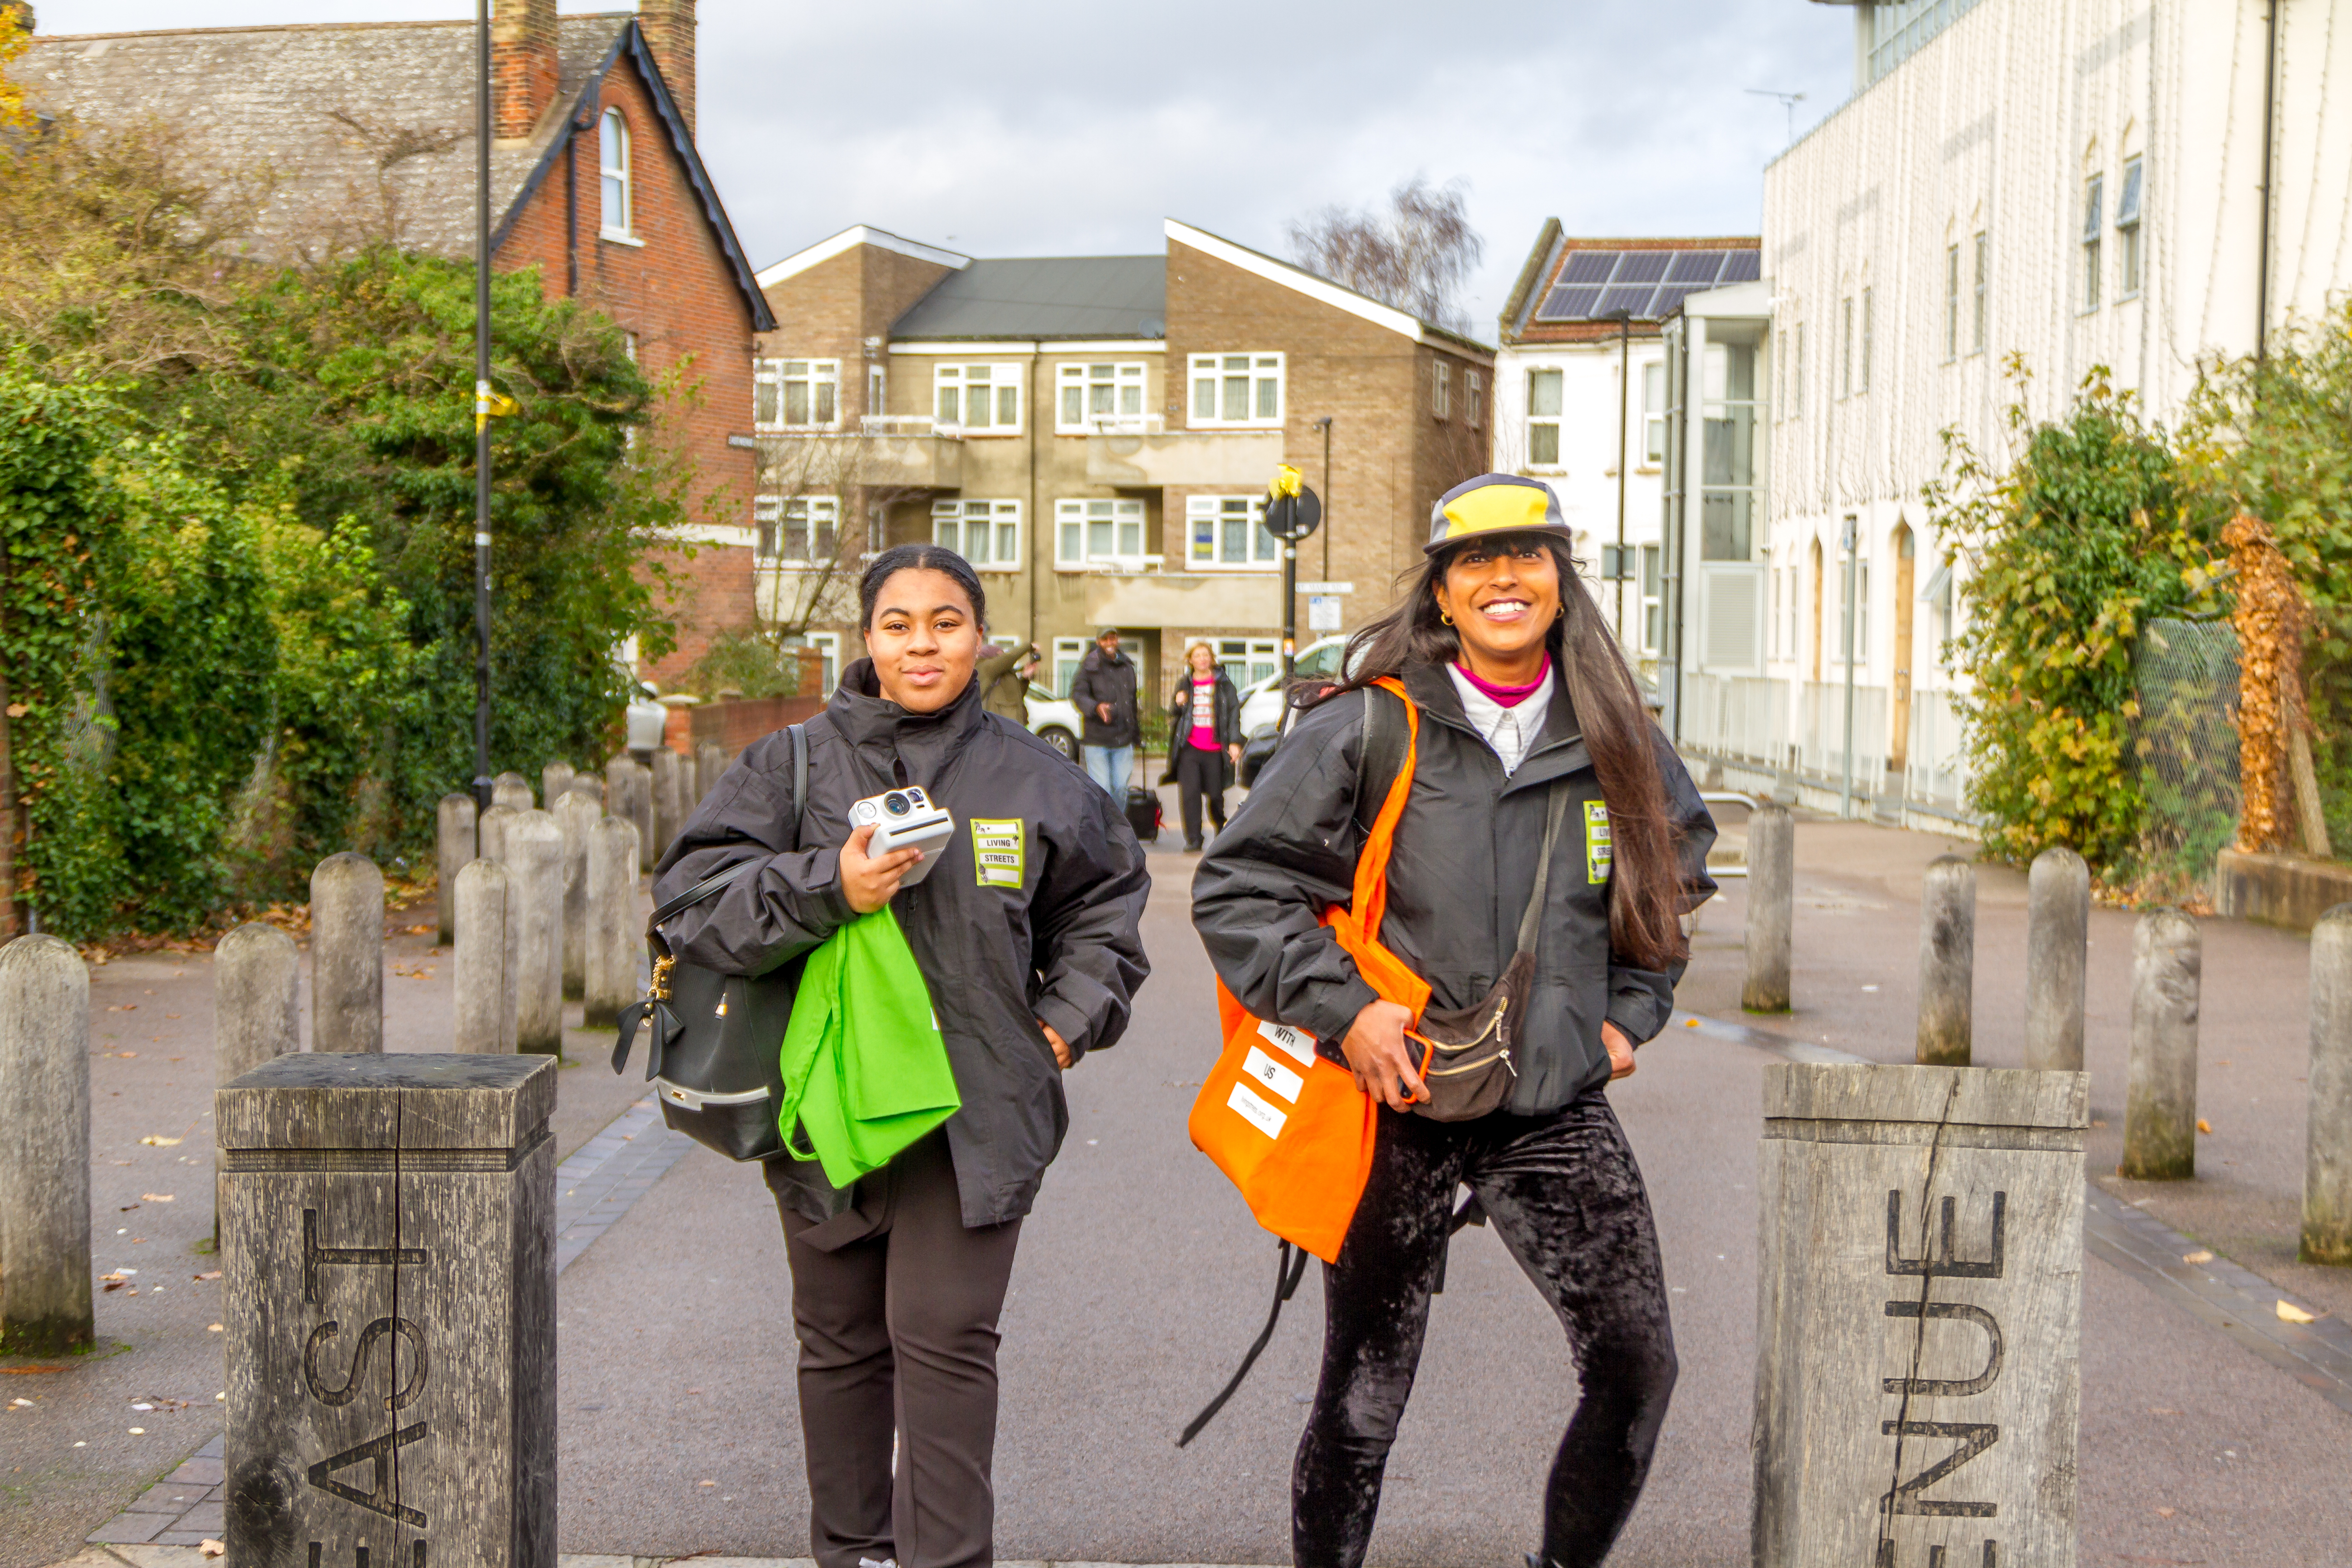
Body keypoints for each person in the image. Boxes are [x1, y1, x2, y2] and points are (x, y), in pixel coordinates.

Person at [1191, 475, 1716, 1568]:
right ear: (1441, 589)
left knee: (1636, 1366)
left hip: (1548, 1106)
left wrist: (1629, 1014)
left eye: (1527, 554)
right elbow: (1237, 887)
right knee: (1363, 1397)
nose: (1503, 577)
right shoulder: (1373, 722)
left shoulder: (1616, 733)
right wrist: (1348, 1015)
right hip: (1397, 1100)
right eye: (1475, 560)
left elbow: (1674, 879)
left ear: (1561, 578)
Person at [654, 545, 1150, 1568]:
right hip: (827, 1103)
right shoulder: (789, 765)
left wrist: (1060, 1022)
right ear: (866, 637)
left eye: (945, 621)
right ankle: (851, 1555)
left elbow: (1106, 913)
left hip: (977, 1112)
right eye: (897, 623)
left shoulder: (1038, 776)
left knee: (947, 1345)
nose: (921, 643)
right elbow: (692, 907)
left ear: (983, 636)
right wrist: (828, 883)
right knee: (839, 1350)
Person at [1166, 640, 1242, 851]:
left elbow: (1234, 714)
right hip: (1189, 748)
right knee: (1190, 795)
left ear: (1211, 658)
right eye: (1197, 656)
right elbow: (1174, 714)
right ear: (1190, 660)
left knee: (1216, 794)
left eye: (1205, 655)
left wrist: (1235, 742)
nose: (1202, 659)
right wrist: (1177, 702)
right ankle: (1194, 840)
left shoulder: (1224, 684)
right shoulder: (1185, 683)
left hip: (1215, 749)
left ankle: (1220, 827)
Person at [1068, 627, 1137, 799]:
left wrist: (1136, 734)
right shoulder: (1089, 665)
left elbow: (1132, 701)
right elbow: (1078, 694)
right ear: (1099, 642)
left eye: (1113, 639)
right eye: (1105, 640)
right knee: (1103, 790)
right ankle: (1104, 826)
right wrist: (1096, 707)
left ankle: (1116, 825)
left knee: (1121, 789)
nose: (1110, 643)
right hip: (1097, 739)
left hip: (1123, 738)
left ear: (1117, 640)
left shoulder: (1127, 666)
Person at [976, 638, 1039, 726]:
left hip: (1014, 727)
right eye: (999, 655)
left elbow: (1015, 697)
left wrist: (1025, 678)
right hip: (999, 729)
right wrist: (1028, 646)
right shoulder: (985, 668)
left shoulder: (1004, 674)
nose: (1002, 656)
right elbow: (1009, 658)